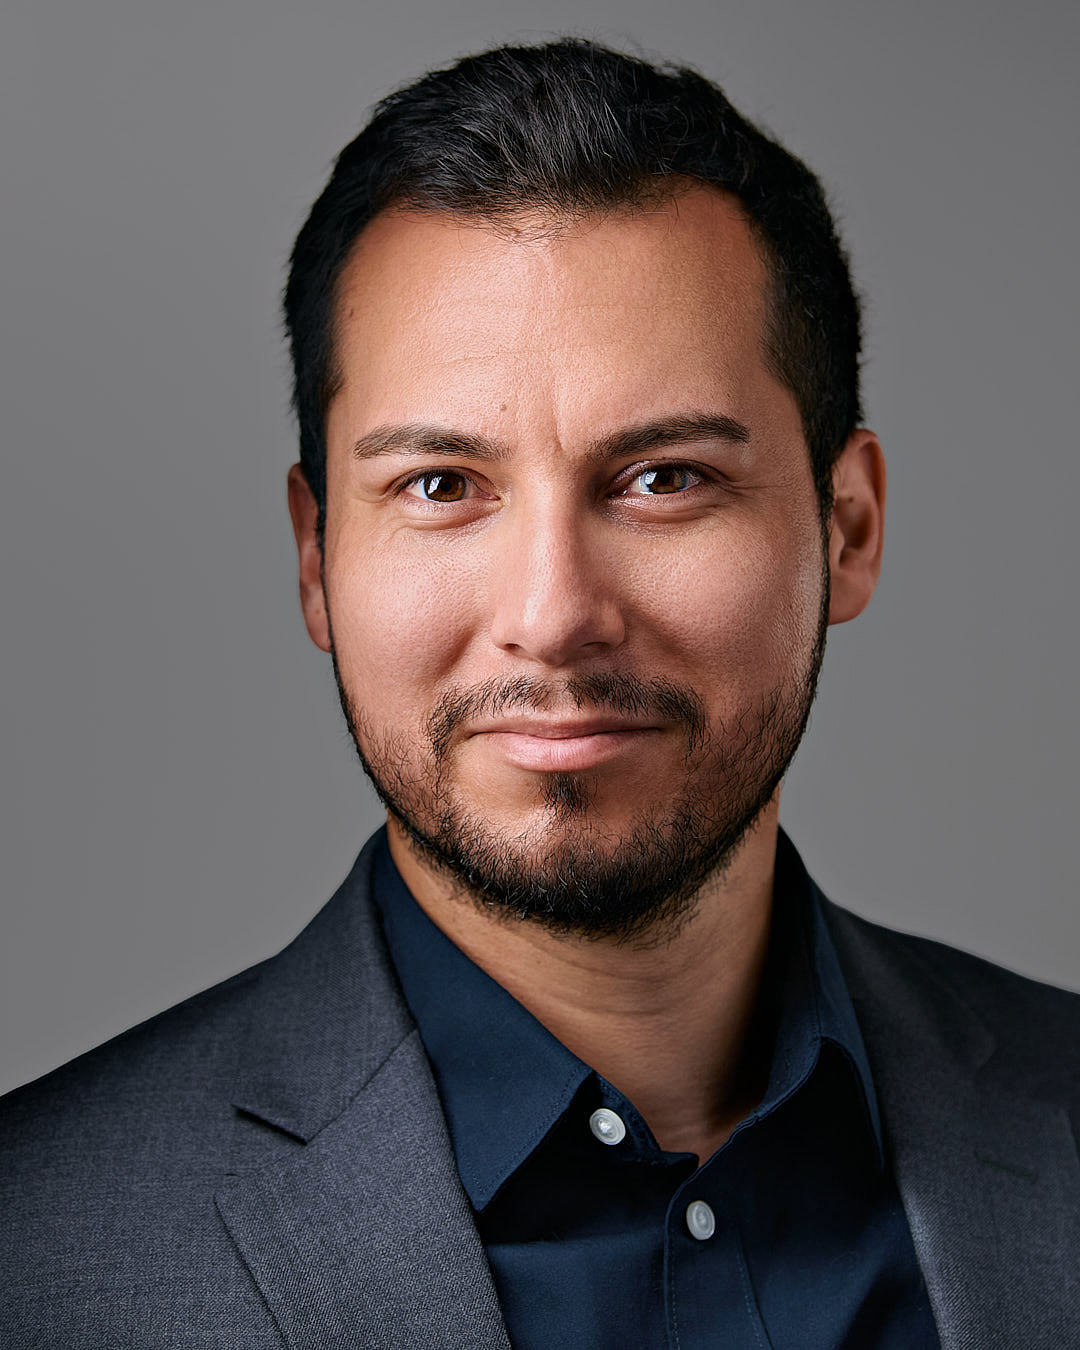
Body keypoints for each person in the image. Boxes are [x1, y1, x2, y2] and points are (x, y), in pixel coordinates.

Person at [1, 36, 1076, 1350]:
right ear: (316, 554)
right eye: (442, 486)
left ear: (847, 527)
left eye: (664, 477)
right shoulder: (35, 1246)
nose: (554, 611)